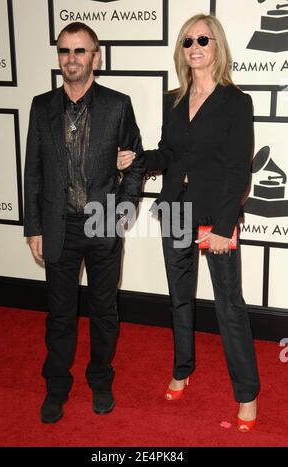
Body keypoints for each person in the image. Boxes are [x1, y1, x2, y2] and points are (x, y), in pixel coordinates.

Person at [117, 14, 260, 432]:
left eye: (203, 39)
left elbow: (238, 171)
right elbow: (169, 154)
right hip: (175, 211)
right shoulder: (173, 98)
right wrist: (138, 161)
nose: (195, 47)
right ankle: (182, 369)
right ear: (181, 49)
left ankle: (246, 394)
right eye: (187, 41)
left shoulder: (237, 101)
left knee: (229, 306)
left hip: (216, 217)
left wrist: (223, 227)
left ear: (217, 46)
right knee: (180, 299)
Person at [24, 21, 144, 423]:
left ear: (96, 56)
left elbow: (137, 161)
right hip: (58, 227)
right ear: (59, 57)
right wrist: (34, 227)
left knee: (104, 310)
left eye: (80, 51)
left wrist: (124, 210)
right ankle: (56, 387)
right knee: (59, 315)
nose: (71, 58)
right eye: (64, 51)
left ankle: (100, 379)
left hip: (102, 223)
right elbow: (33, 172)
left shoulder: (117, 104)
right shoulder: (41, 106)